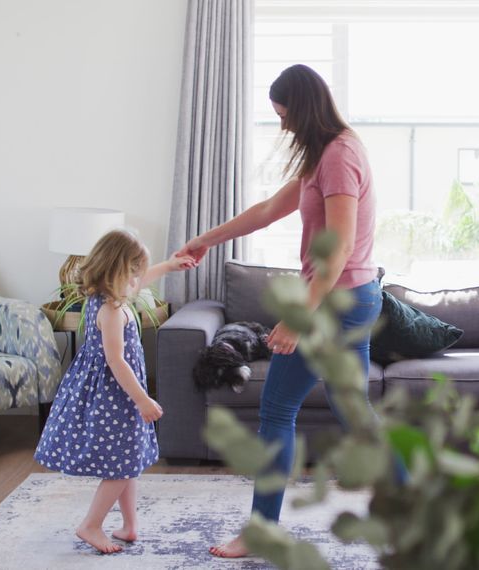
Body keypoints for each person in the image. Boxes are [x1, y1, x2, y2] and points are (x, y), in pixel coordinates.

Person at [177, 64, 387, 559]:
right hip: (355, 299)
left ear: (305, 109)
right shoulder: (329, 155)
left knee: (276, 408)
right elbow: (268, 210)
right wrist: (207, 239)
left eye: (285, 115)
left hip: (333, 302)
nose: (283, 127)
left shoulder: (338, 156)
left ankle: (261, 532)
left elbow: (335, 253)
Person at [34, 229, 196, 553]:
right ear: (120, 272)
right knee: (122, 464)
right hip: (114, 395)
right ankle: (91, 525)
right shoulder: (110, 310)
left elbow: (142, 280)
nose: (137, 280)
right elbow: (115, 360)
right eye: (134, 273)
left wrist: (168, 266)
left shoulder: (108, 296)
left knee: (128, 459)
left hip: (118, 393)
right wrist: (142, 399)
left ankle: (130, 526)